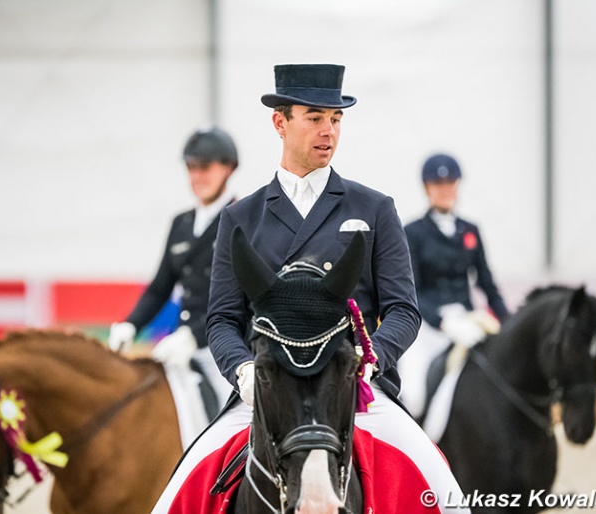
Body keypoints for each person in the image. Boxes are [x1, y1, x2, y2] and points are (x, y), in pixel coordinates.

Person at [152, 64, 469, 513]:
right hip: (266, 387)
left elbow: (403, 309)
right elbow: (221, 318)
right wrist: (243, 370)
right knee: (172, 497)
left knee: (446, 490)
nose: (328, 131)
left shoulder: (375, 209)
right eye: (315, 118)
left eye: (335, 120)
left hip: (352, 387)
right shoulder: (240, 219)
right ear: (280, 123)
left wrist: (370, 358)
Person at [107, 127, 237, 417]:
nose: (197, 176)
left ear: (228, 168)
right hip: (181, 349)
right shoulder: (181, 223)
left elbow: (245, 299)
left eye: (204, 167)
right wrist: (131, 325)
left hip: (226, 351)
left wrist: (194, 336)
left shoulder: (241, 220)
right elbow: (160, 287)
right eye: (191, 168)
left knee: (232, 418)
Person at [399, 153, 510, 419]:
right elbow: (411, 289)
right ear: (427, 188)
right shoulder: (413, 232)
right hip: (427, 327)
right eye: (438, 184)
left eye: (450, 183)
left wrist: (509, 323)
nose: (445, 190)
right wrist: (442, 322)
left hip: (468, 322)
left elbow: (487, 284)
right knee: (413, 397)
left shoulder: (470, 230)